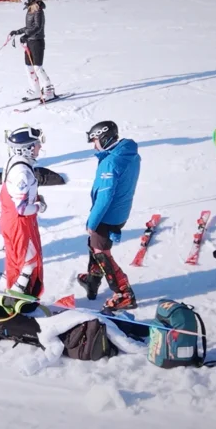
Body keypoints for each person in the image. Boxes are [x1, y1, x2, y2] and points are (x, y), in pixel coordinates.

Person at [77, 120, 141, 311]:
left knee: (101, 252)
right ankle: (93, 279)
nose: (93, 145)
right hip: (120, 211)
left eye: (94, 140)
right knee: (94, 244)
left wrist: (92, 222)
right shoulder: (127, 154)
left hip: (107, 214)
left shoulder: (111, 162)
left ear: (104, 138)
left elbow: (104, 197)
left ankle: (123, 293)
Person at [0, 126, 48, 314]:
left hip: (11, 221)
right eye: (35, 145)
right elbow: (22, 208)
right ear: (25, 148)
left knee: (15, 257)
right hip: (19, 223)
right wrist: (40, 207)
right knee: (29, 261)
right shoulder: (22, 172)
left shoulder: (15, 162)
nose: (39, 147)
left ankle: (2, 289)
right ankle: (15, 298)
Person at [8, 0, 56, 101]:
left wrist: (26, 35)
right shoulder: (29, 10)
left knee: (37, 67)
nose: (23, 1)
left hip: (37, 41)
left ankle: (49, 90)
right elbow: (29, 28)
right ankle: (36, 90)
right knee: (28, 67)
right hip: (30, 41)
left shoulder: (38, 10)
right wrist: (18, 32)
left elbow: (38, 27)